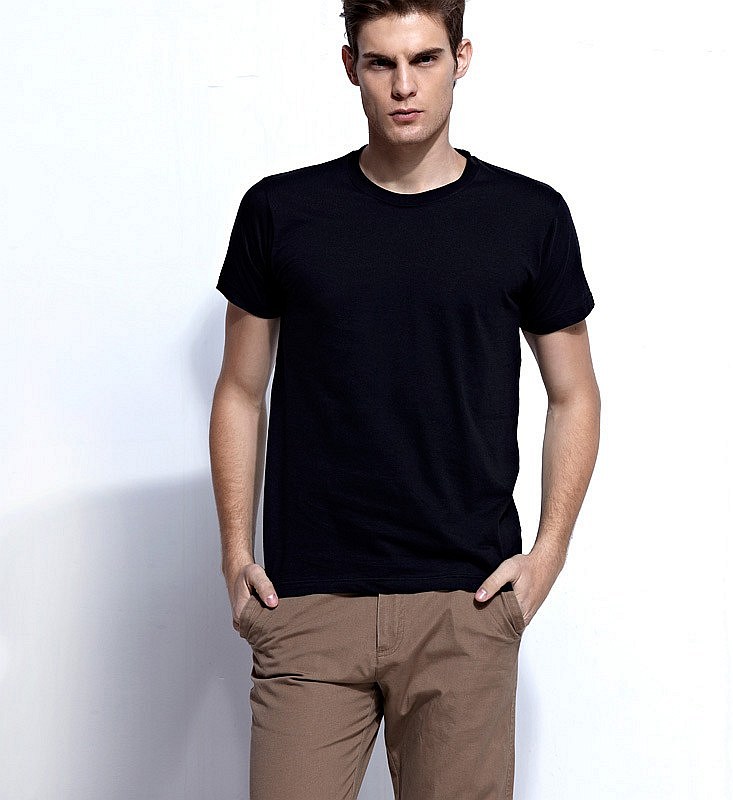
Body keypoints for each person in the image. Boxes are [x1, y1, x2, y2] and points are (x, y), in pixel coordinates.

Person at [209, 1, 601, 798]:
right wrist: (234, 551)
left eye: (424, 59)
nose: (403, 86)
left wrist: (548, 554)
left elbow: (575, 395)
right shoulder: (281, 212)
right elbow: (241, 391)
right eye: (381, 62)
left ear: (462, 58)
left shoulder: (528, 216)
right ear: (350, 66)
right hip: (308, 599)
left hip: (465, 600)